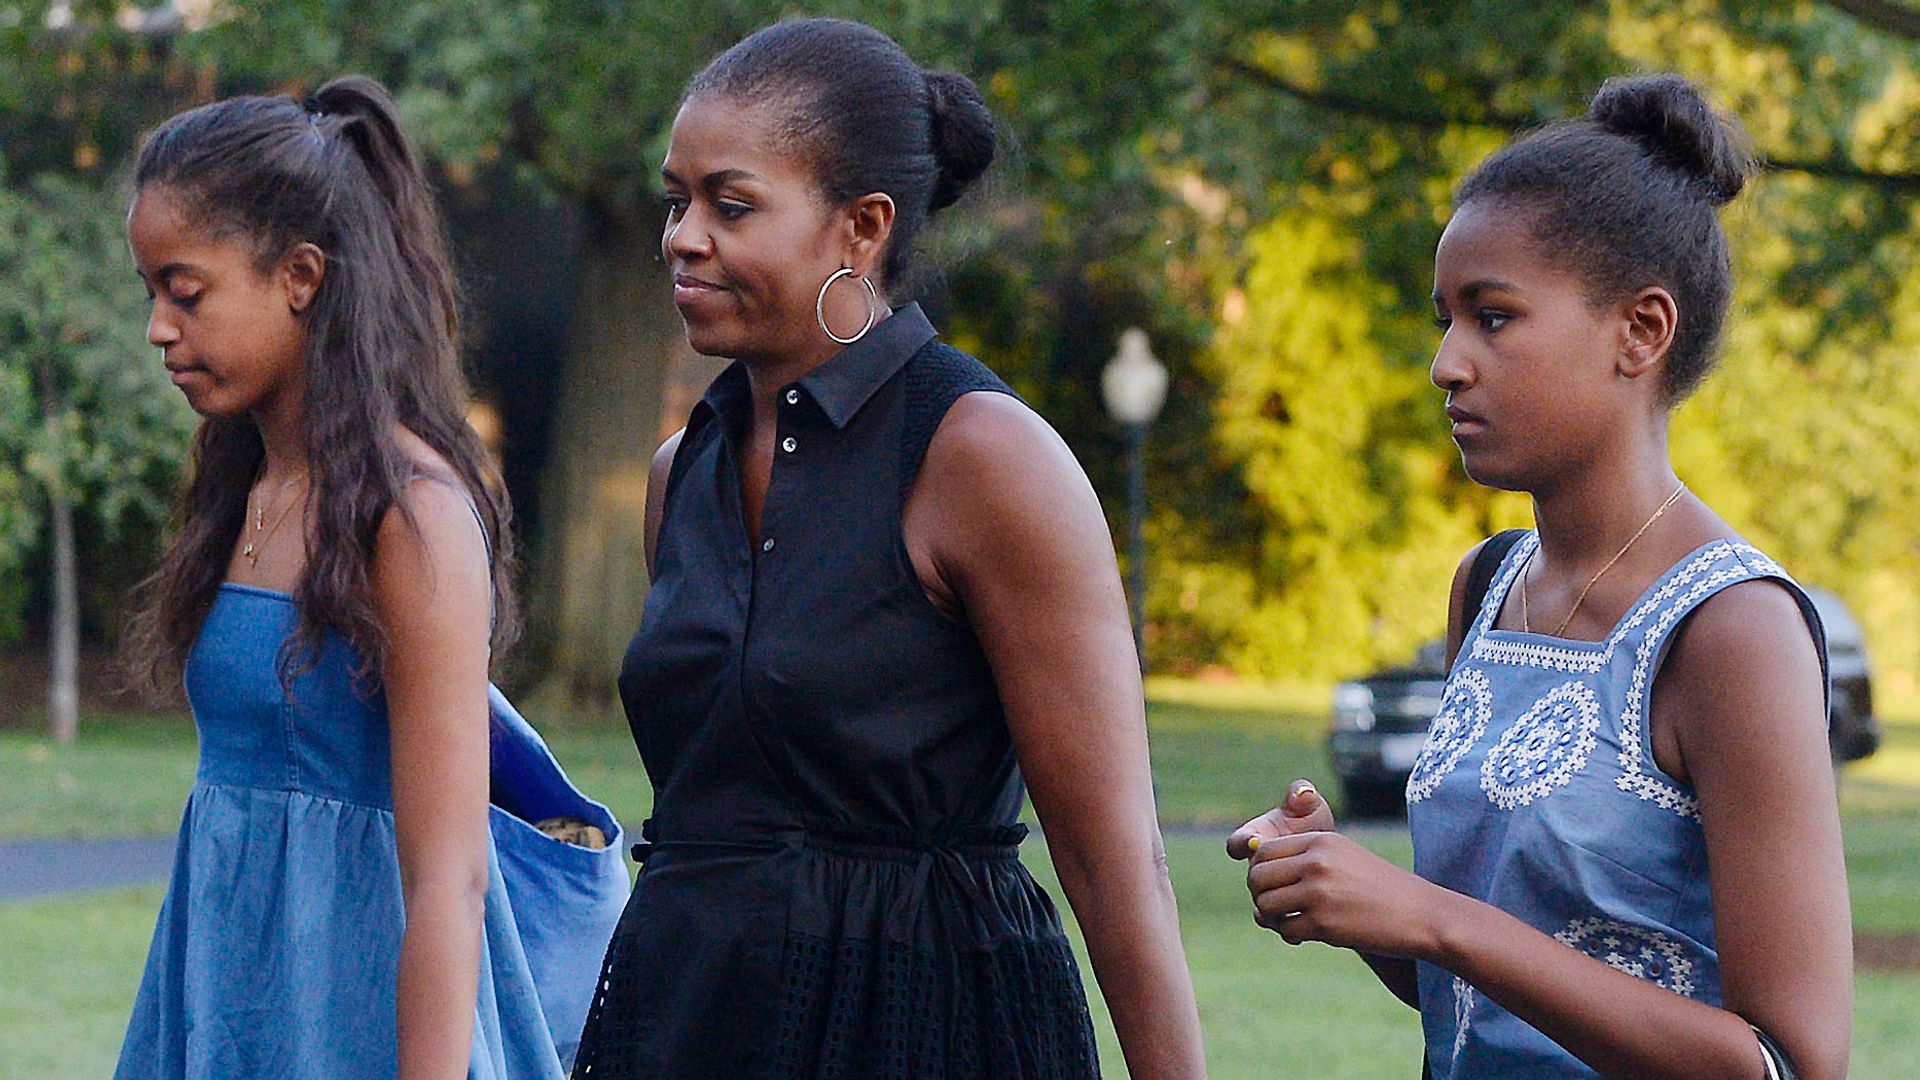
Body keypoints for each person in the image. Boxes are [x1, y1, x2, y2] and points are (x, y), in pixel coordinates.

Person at [570, 17, 1205, 1080]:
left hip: (917, 1019)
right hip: (686, 1012)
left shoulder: (983, 456)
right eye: (676, 200)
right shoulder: (682, 470)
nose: (682, 235)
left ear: (860, 228)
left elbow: (1112, 855)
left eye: (731, 205)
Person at [1228, 75, 1852, 1079]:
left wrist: (1431, 917)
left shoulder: (1731, 629)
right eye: (1445, 318)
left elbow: (1790, 1061)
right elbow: (1484, 986)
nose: (1445, 363)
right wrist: (1355, 900)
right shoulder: (1489, 584)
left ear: (1641, 333)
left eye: (1494, 317)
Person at [117, 76, 586, 1079]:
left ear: (299, 274)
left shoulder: (408, 515)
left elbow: (450, 876)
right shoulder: (241, 486)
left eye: (185, 291)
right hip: (224, 999)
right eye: (150, 292)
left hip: (365, 1015)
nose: (159, 326)